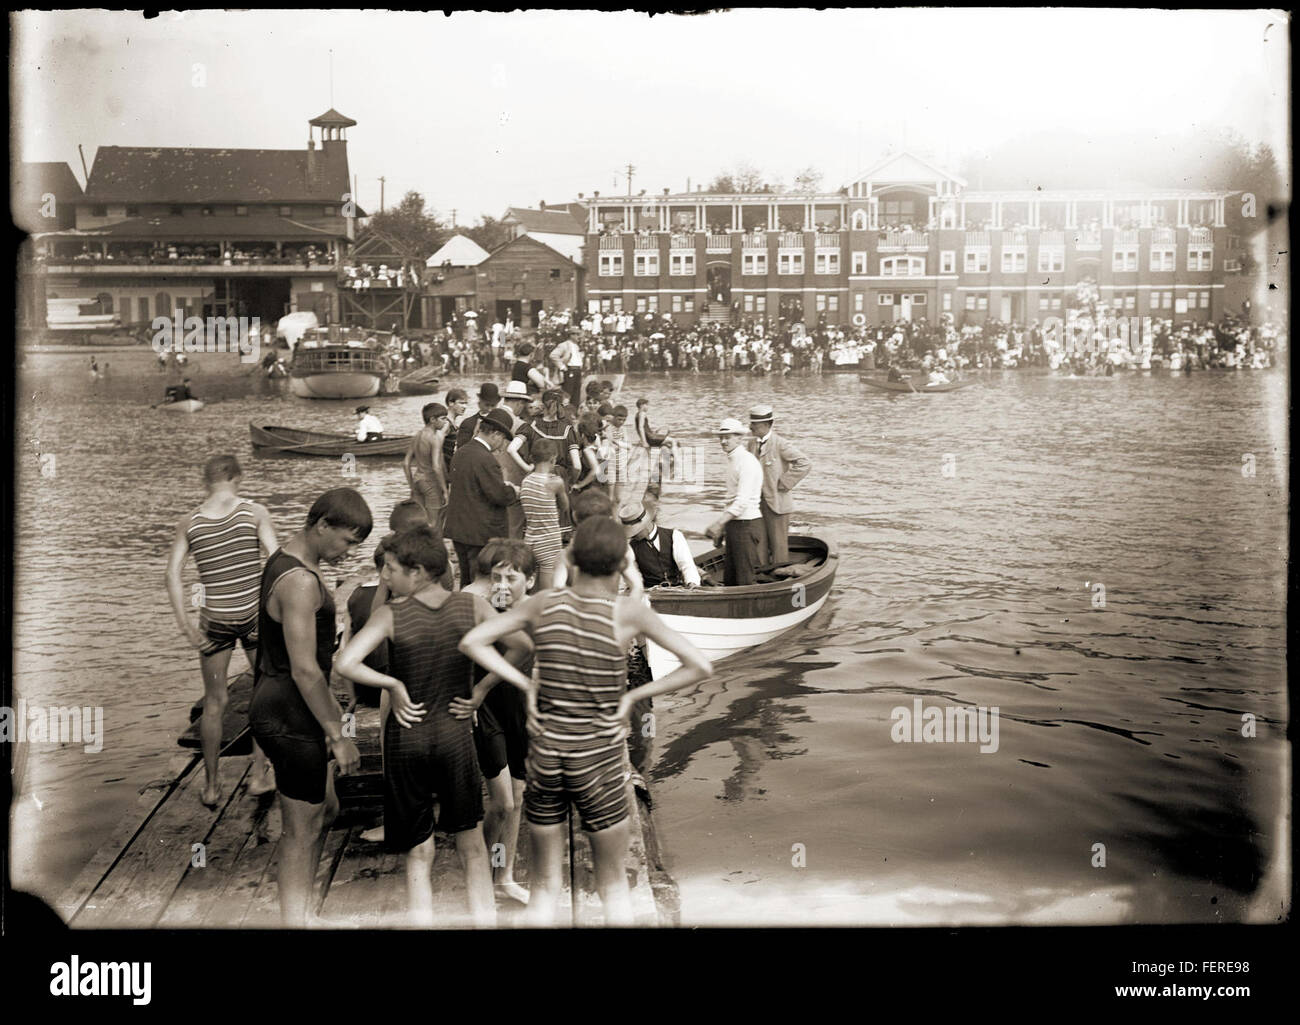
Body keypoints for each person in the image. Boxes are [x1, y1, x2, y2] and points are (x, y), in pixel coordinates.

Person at [459, 517, 713, 926]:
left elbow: (473, 641)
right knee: (613, 887)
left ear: (571, 560)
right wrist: (632, 695)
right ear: (619, 567)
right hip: (600, 757)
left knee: (544, 888)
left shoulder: (542, 604)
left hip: (547, 755)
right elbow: (699, 665)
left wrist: (524, 684)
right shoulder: (628, 612)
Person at [335, 526, 528, 927]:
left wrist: (392, 683)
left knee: (419, 854)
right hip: (456, 735)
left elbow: (345, 662)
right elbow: (521, 646)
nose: (385, 577)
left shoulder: (392, 613)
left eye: (391, 569)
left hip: (408, 739)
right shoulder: (470, 607)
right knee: (472, 848)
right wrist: (480, 691)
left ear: (418, 571)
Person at [247, 488, 371, 927]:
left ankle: (302, 911)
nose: (350, 552)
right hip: (288, 710)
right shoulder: (299, 581)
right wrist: (339, 735)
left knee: (327, 810)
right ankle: (295, 921)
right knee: (300, 832)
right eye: (348, 541)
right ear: (322, 526)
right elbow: (305, 670)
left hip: (285, 701)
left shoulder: (287, 560)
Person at [166, 454, 279, 807]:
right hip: (254, 615)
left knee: (215, 703)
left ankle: (213, 786)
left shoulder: (190, 522)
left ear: (206, 482)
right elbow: (277, 561)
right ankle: (260, 777)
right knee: (262, 695)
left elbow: (171, 575)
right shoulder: (254, 512)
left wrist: (185, 625)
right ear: (238, 477)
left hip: (215, 618)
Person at [450, 540, 537, 905]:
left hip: (518, 711)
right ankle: (480, 870)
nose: (501, 585)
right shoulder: (480, 609)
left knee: (517, 798)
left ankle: (503, 875)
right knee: (502, 803)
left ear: (529, 582)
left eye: (511, 578)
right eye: (496, 577)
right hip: (484, 711)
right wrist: (481, 691)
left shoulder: (535, 612)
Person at [444, 408, 522, 588]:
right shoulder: (486, 459)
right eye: (503, 439)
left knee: (466, 580)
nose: (502, 445)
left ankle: (466, 611)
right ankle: (490, 612)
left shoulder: (461, 452)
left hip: (459, 529)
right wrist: (513, 491)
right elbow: (499, 495)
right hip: (481, 533)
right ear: (495, 433)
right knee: (486, 580)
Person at [745, 405, 812, 567]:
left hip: (777, 503)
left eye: (755, 424)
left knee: (778, 545)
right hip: (757, 502)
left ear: (768, 425)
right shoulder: (751, 444)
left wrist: (784, 483)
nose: (751, 427)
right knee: (759, 541)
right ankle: (761, 575)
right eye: (751, 423)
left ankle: (780, 575)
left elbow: (804, 463)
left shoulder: (781, 444)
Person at [706, 418, 763, 585]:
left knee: (744, 580)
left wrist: (718, 524)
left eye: (728, 437)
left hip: (747, 525)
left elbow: (742, 501)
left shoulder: (747, 461)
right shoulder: (732, 459)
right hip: (736, 524)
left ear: (739, 438)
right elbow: (731, 500)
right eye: (721, 437)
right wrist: (724, 528)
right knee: (731, 578)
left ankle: (748, 610)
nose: (723, 441)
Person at [520, 438, 569, 586]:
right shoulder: (556, 482)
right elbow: (565, 506)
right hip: (550, 540)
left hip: (530, 539)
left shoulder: (526, 481)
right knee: (547, 591)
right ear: (553, 459)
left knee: (530, 586)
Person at [619, 500, 701, 588]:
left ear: (645, 525)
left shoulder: (674, 536)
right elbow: (632, 574)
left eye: (635, 532)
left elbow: (686, 565)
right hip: (650, 593)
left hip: (677, 589)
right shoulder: (631, 547)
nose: (632, 536)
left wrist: (692, 583)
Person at [404, 402, 450, 532]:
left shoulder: (417, 435)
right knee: (434, 525)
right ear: (432, 420)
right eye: (443, 419)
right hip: (431, 483)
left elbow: (406, 463)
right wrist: (444, 490)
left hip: (418, 481)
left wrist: (411, 485)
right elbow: (436, 467)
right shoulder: (434, 438)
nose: (445, 422)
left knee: (419, 524)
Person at [456, 383, 501, 449]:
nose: (490, 409)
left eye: (493, 405)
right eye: (487, 405)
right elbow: (462, 451)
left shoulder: (501, 423)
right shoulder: (468, 424)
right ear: (479, 403)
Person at [549, 332, 584, 408]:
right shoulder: (564, 345)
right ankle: (564, 412)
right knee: (567, 393)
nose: (579, 337)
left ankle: (574, 411)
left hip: (577, 370)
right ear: (571, 335)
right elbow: (553, 355)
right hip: (569, 370)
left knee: (576, 393)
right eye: (577, 334)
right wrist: (562, 367)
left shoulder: (577, 346)